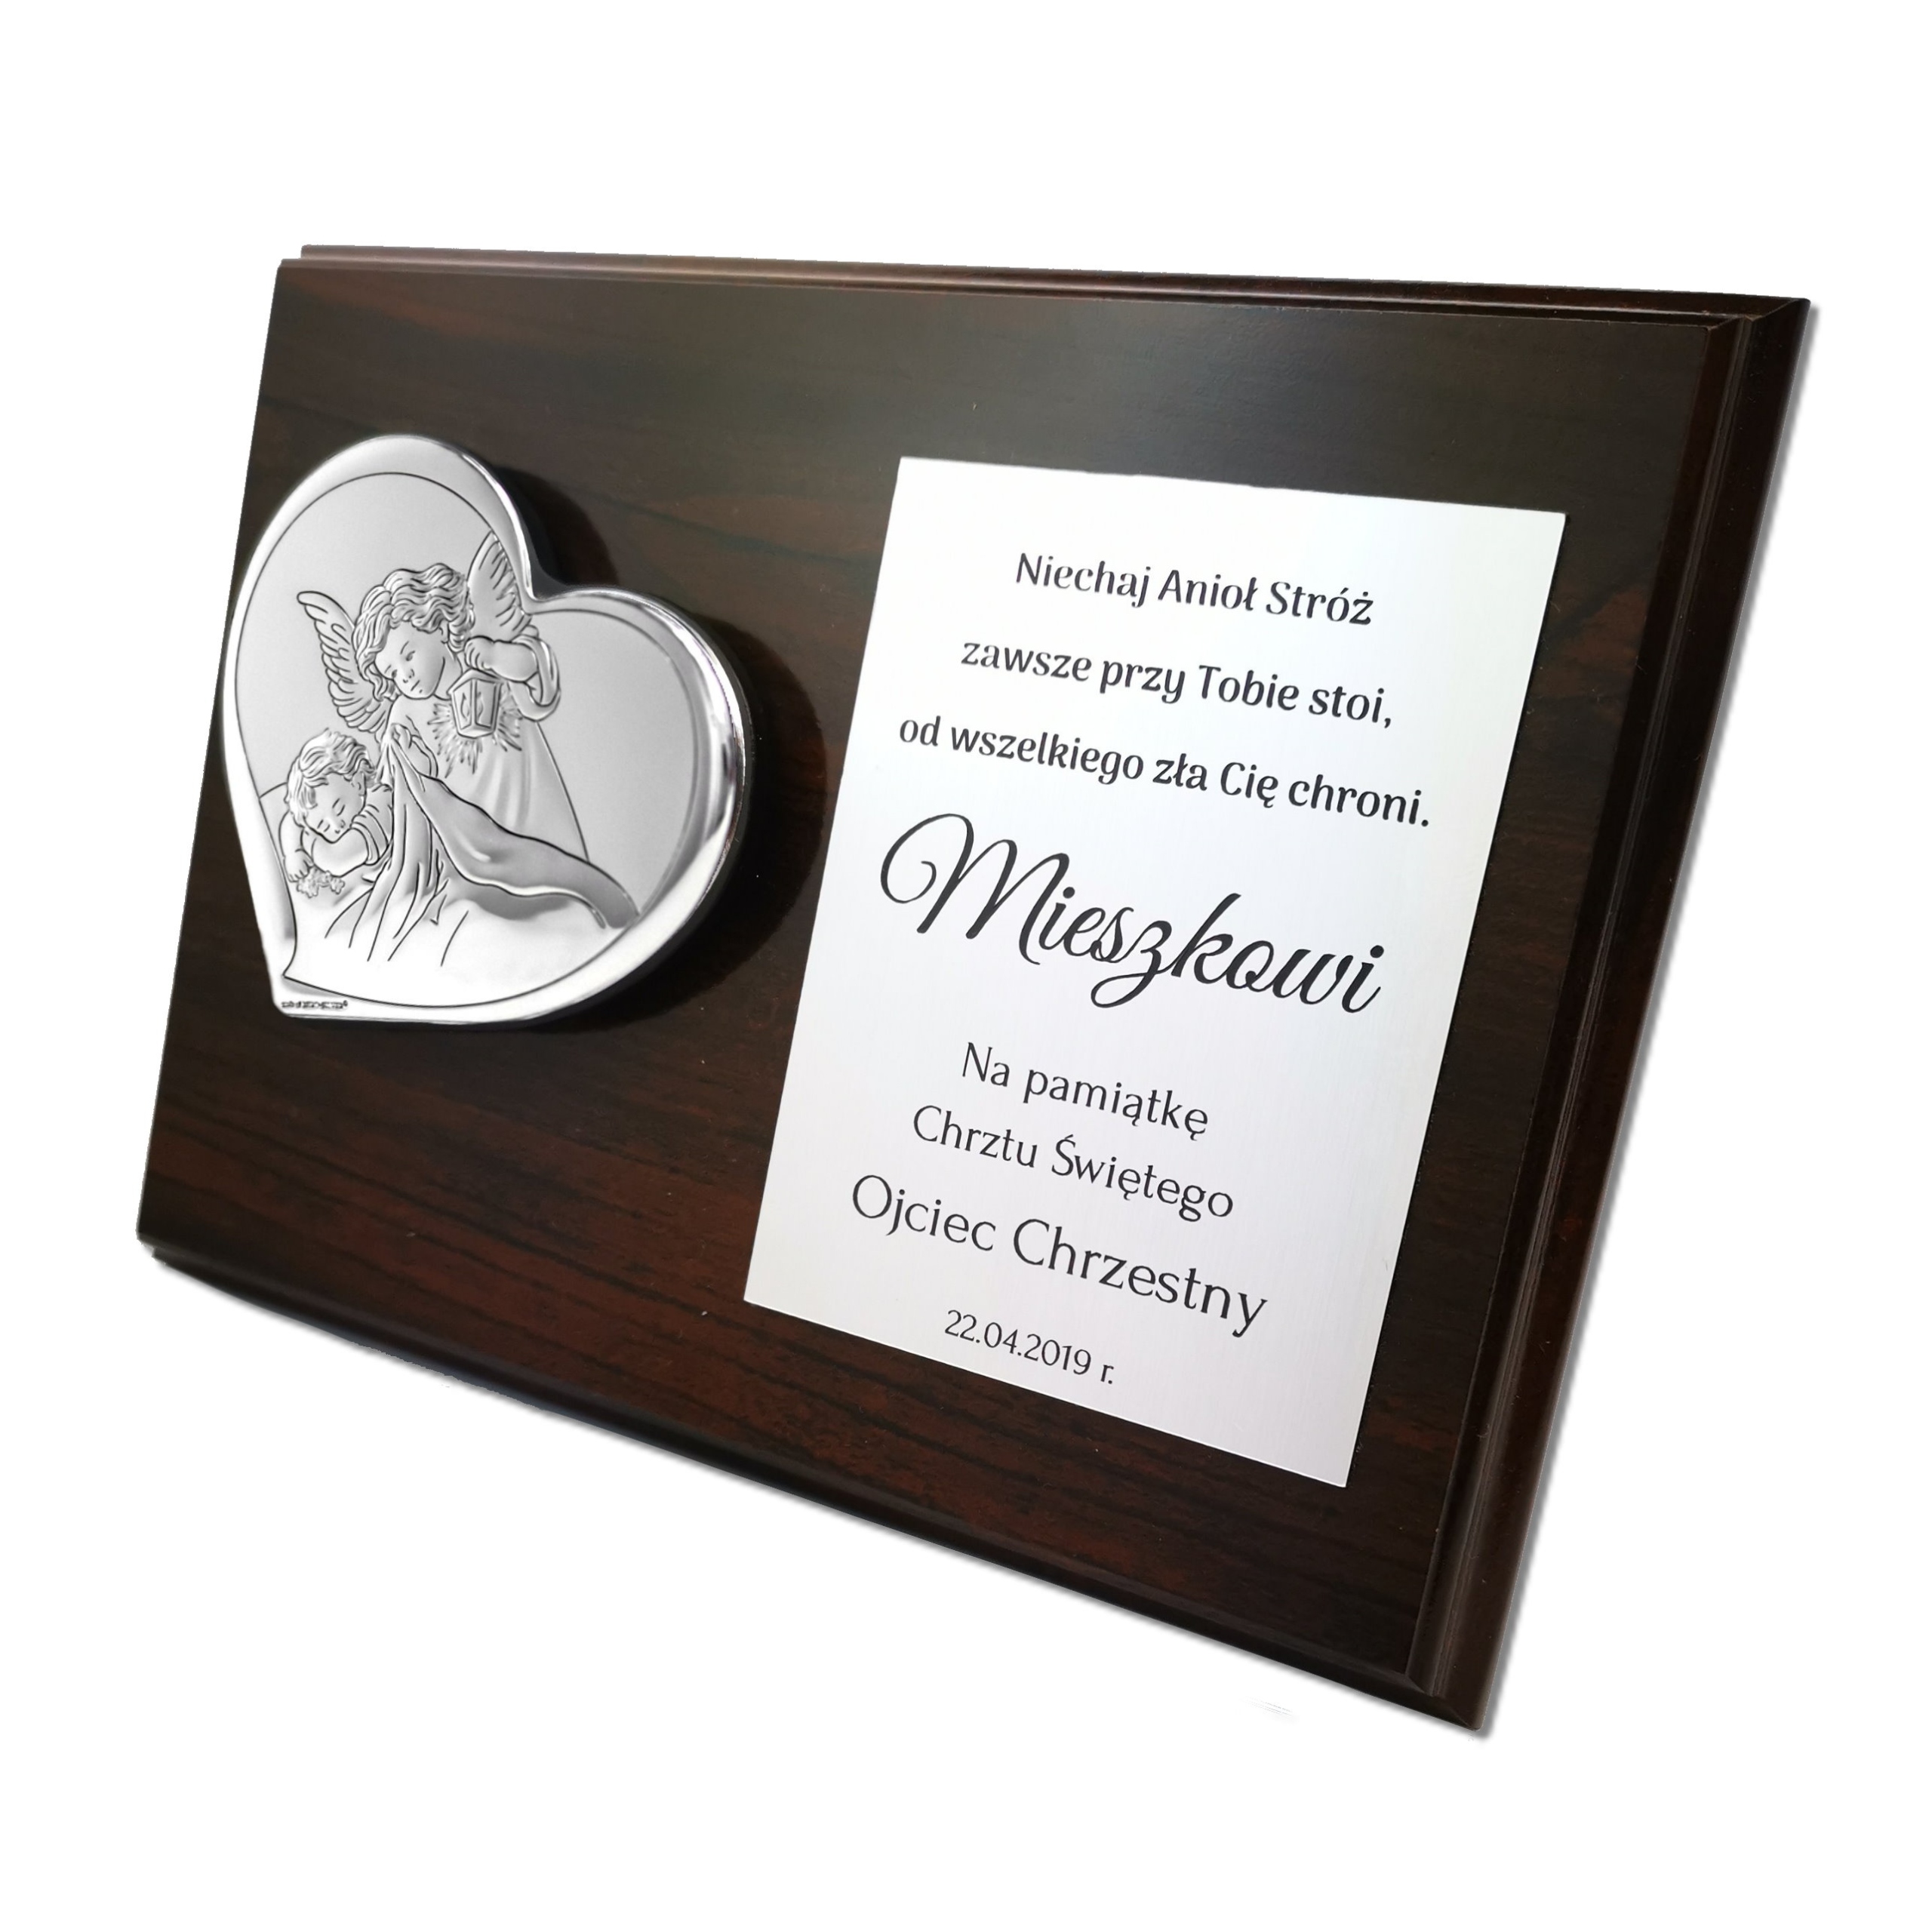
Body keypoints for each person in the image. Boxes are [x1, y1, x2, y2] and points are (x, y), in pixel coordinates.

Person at [277, 730, 392, 899]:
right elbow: (291, 820)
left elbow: (336, 860)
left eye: (340, 809)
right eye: (323, 826)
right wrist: (292, 852)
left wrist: (309, 838)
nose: (337, 826)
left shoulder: (381, 804)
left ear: (358, 784)